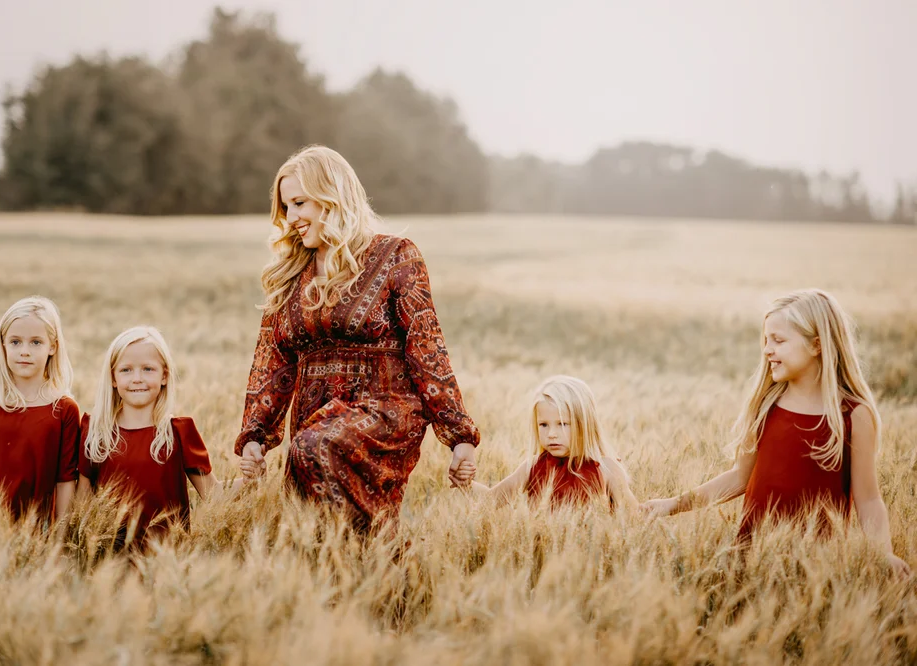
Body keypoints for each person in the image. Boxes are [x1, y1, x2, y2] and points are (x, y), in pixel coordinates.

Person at [236, 144, 479, 530]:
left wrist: (459, 435)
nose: (291, 217)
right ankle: (379, 566)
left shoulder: (396, 255)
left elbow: (427, 348)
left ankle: (386, 557)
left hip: (383, 412)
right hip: (311, 419)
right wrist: (256, 435)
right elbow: (273, 362)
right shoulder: (290, 276)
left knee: (318, 447)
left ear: (332, 196)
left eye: (299, 203)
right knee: (317, 528)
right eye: (285, 207)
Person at [642, 289, 910, 576]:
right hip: (751, 561)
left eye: (778, 341)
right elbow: (739, 477)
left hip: (819, 569)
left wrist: (883, 553)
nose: (767, 349)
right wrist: (674, 504)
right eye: (766, 340)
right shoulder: (765, 405)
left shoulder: (853, 416)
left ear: (816, 345)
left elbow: (868, 499)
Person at [77, 326, 219, 549]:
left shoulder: (179, 433)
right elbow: (81, 505)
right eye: (126, 370)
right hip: (109, 558)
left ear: (164, 376)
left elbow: (213, 494)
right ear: (113, 378)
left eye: (148, 369)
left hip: (167, 558)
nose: (137, 379)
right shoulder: (95, 432)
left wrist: (251, 479)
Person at [0, 296, 79, 522]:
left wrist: (59, 537)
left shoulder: (64, 409)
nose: (24, 351)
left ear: (53, 346)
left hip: (42, 530)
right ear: (3, 345)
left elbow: (66, 481)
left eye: (36, 342)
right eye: (15, 342)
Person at [458, 375, 637, 511]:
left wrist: (654, 508)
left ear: (585, 425)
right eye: (543, 425)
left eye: (563, 424)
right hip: (541, 548)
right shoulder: (532, 466)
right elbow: (491, 500)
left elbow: (633, 515)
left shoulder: (606, 469)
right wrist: (467, 484)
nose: (551, 434)